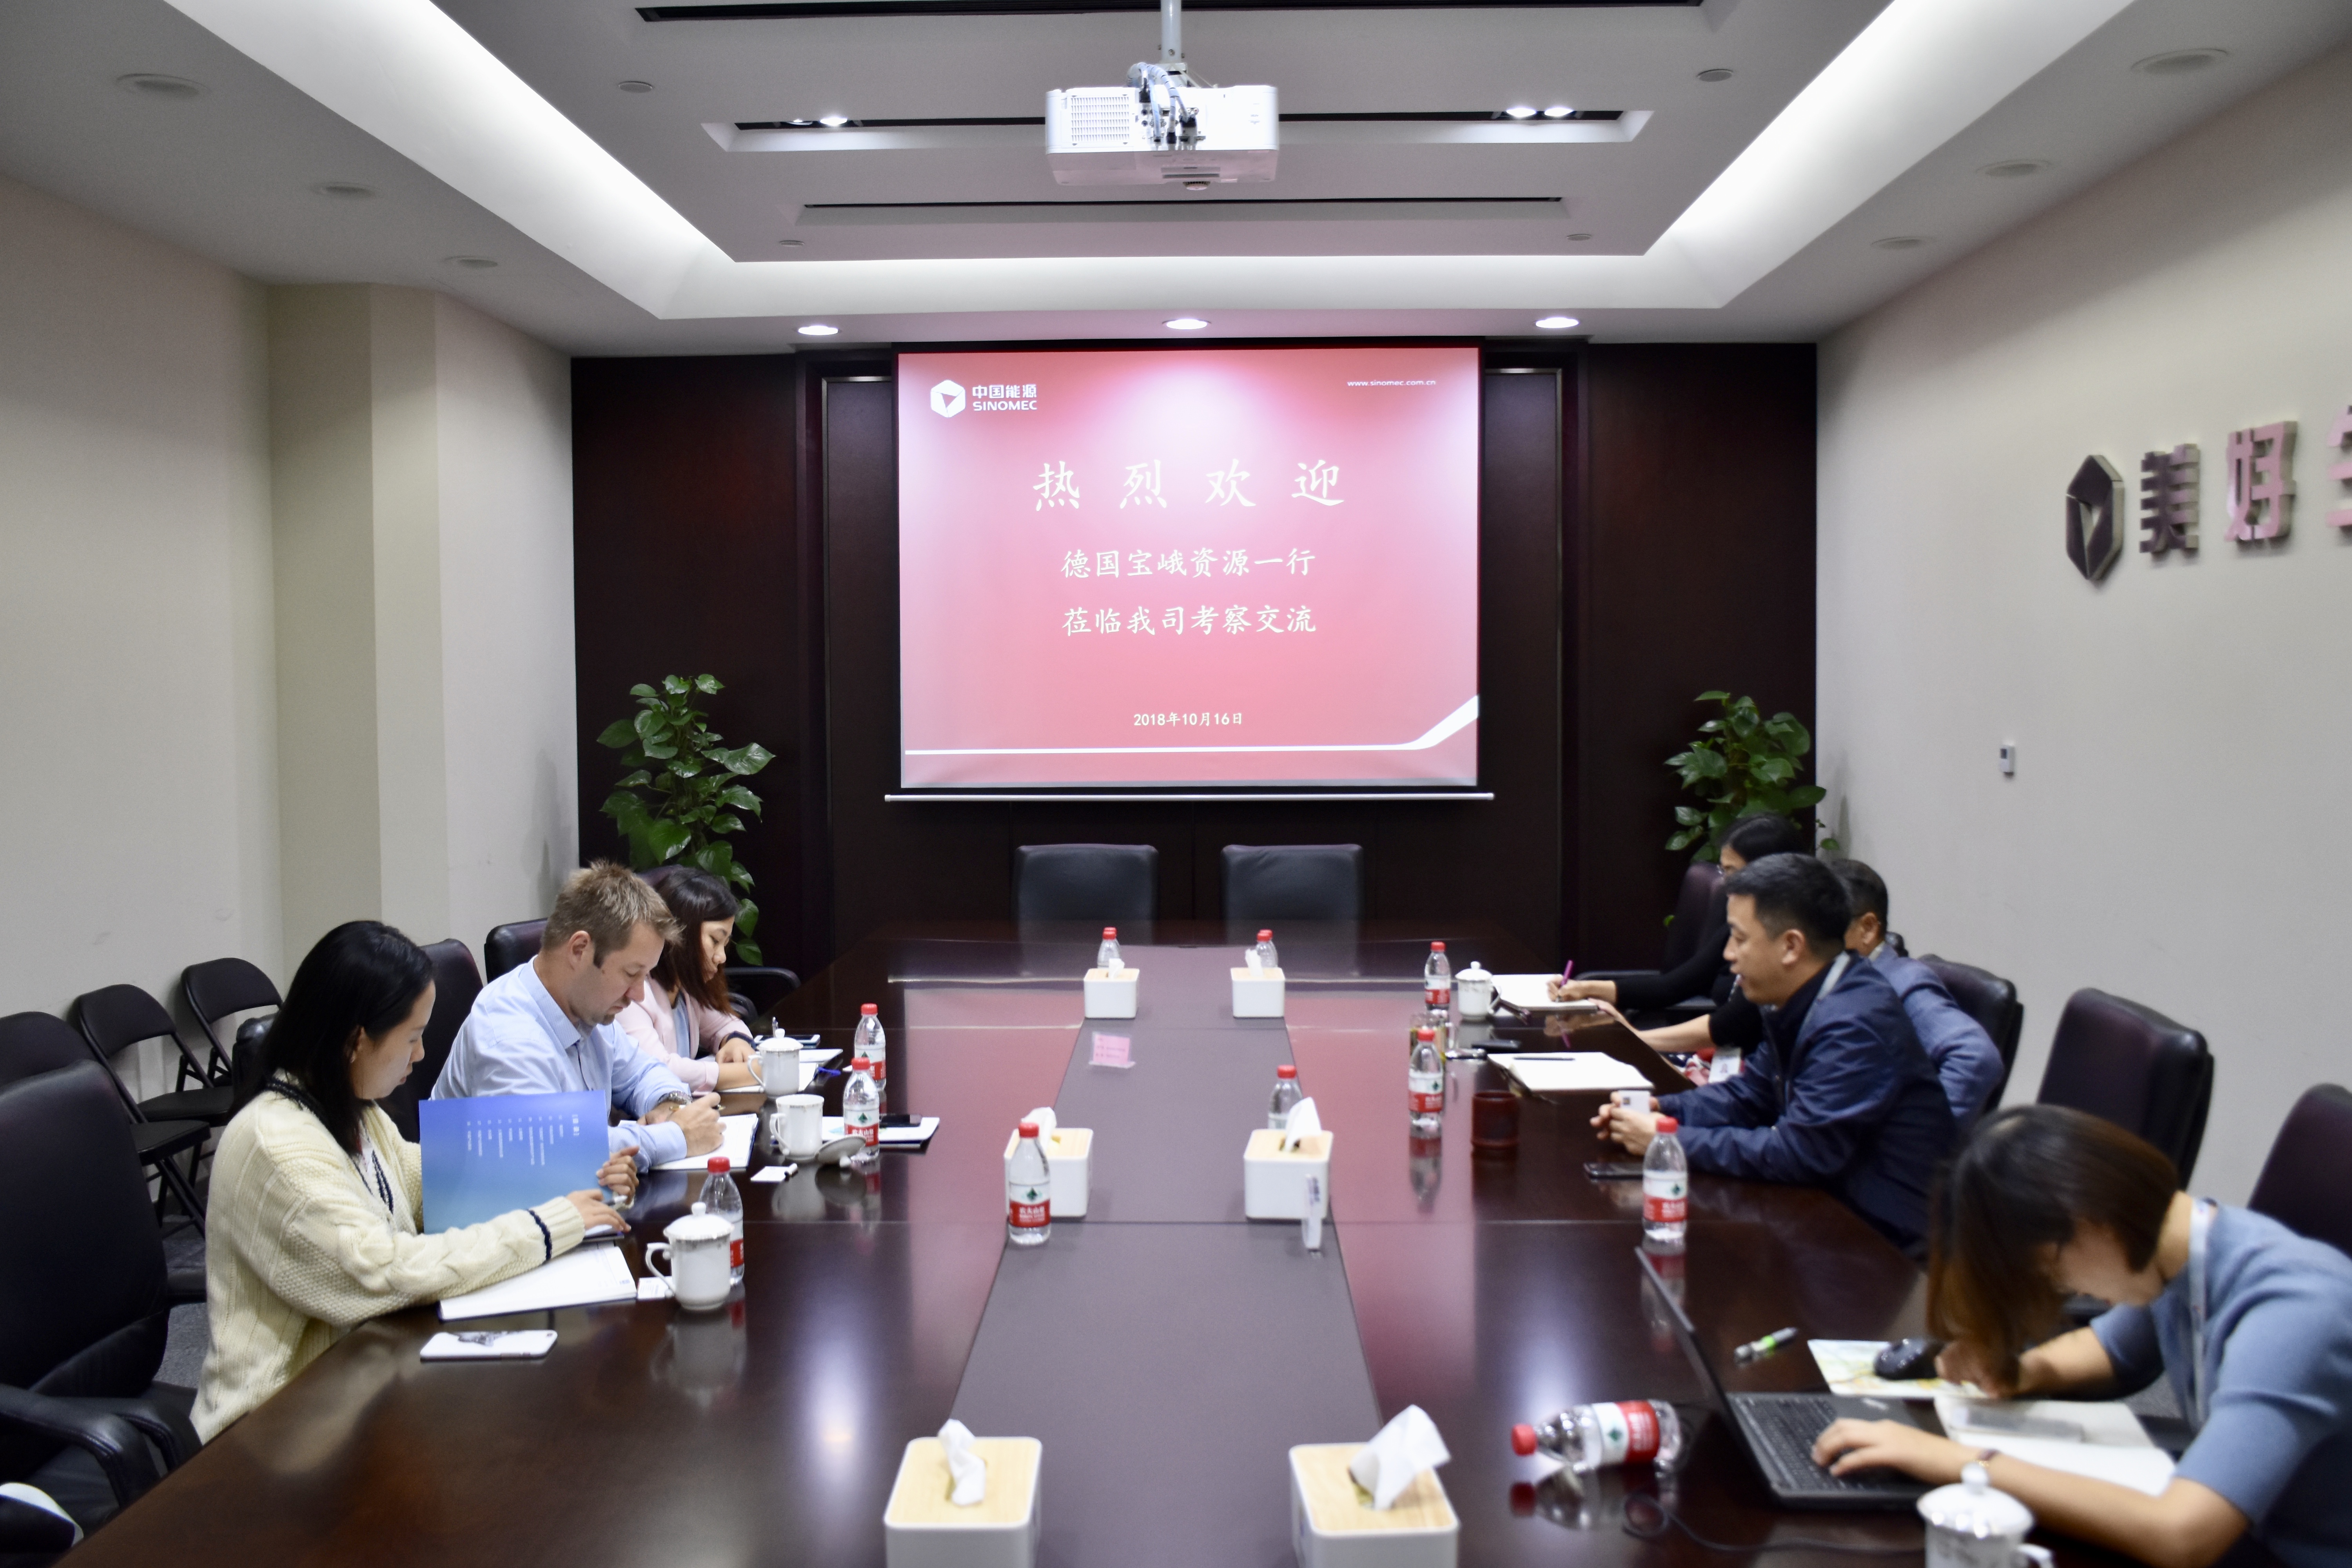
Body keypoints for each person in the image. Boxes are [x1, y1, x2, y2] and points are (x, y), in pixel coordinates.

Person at [1815, 1107, 2352, 1568]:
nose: (2067, 1288)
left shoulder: (2295, 1314)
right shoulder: (2190, 1250)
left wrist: (1959, 1462)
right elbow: (2113, 1351)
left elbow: (2182, 1534)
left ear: (2094, 1222)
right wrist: (2022, 1372)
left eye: (2051, 1269)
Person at [194, 922, 630, 1439]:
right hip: (279, 1427)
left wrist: (583, 1174)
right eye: (412, 1037)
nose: (421, 1055)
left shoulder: (349, 1109)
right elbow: (385, 1270)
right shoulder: (277, 1145)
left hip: (360, 1382)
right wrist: (548, 1225)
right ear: (356, 1041)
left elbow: (435, 1183)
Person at [1591, 853, 1956, 1254]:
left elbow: (1801, 1155)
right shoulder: (1803, 998)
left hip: (1882, 1245)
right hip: (1823, 1214)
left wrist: (1666, 1137)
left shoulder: (1854, 1024)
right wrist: (1663, 1109)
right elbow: (1749, 1095)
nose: (1729, 955)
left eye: (1740, 938)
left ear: (1791, 946)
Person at [434, 862, 723, 1169]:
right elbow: (548, 1154)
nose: (639, 995)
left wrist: (670, 1104)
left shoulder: (589, 1006)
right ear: (580, 949)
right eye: (631, 974)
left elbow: (642, 1072)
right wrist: (677, 1136)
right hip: (505, 1198)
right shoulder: (509, 1035)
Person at [1551, 812, 1813, 1021]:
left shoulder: (1785, 946)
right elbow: (1673, 987)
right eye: (1723, 871)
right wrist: (1585, 989)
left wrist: (1639, 1038)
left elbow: (1730, 1028)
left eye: (1733, 873)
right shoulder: (1739, 923)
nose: (1725, 884)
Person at [1823, 857, 2005, 1131]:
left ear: (1868, 929)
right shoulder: (1836, 981)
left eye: (1822, 927)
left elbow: (1976, 1059)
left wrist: (1917, 1141)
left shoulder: (1901, 982)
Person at [616, 868, 760, 1093]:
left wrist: (735, 1041)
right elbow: (656, 1070)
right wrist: (751, 1073)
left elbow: (725, 1024)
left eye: (725, 945)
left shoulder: (685, 988)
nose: (721, 957)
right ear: (680, 931)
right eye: (715, 940)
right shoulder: (633, 992)